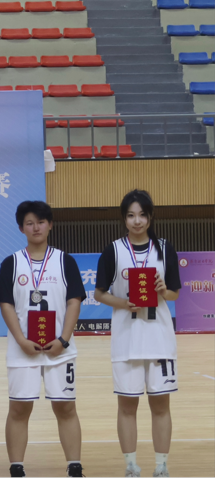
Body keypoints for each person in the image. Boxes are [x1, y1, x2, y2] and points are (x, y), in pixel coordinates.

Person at [0, 201, 86, 478]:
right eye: (30, 223)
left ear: (50, 225)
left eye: (41, 222)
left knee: (66, 407)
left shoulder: (65, 261)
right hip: (23, 350)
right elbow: (5, 304)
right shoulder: (11, 263)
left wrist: (64, 340)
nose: (36, 227)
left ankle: (74, 467)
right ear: (21, 228)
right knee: (19, 409)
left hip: (60, 349)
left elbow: (74, 301)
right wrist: (21, 340)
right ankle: (17, 469)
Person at [94, 190, 181, 478]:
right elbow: (99, 293)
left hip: (159, 338)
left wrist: (162, 290)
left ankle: (162, 466)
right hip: (126, 339)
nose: (137, 221)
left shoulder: (165, 249)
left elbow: (174, 293)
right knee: (127, 405)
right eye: (131, 215)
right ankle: (131, 466)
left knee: (161, 404)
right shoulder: (113, 250)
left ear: (150, 216)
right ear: (124, 218)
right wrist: (123, 303)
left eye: (142, 214)